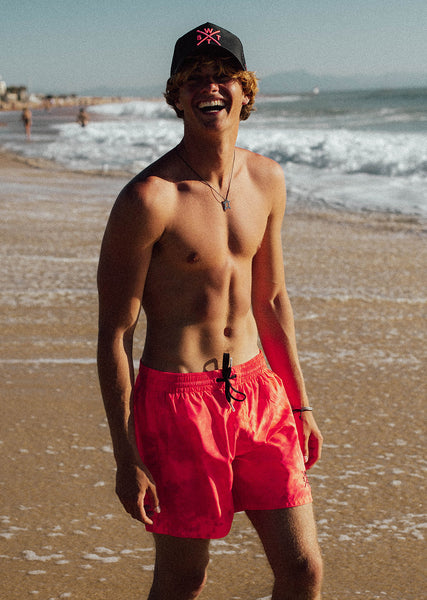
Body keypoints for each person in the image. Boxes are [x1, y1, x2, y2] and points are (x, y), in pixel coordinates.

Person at [97, 22, 323, 600]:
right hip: (178, 405)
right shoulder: (150, 198)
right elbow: (116, 335)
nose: (210, 86)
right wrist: (126, 453)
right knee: (184, 580)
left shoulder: (267, 179)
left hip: (259, 393)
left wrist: (299, 402)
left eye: (223, 75)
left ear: (246, 91)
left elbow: (271, 300)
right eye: (194, 77)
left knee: (302, 569)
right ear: (176, 95)